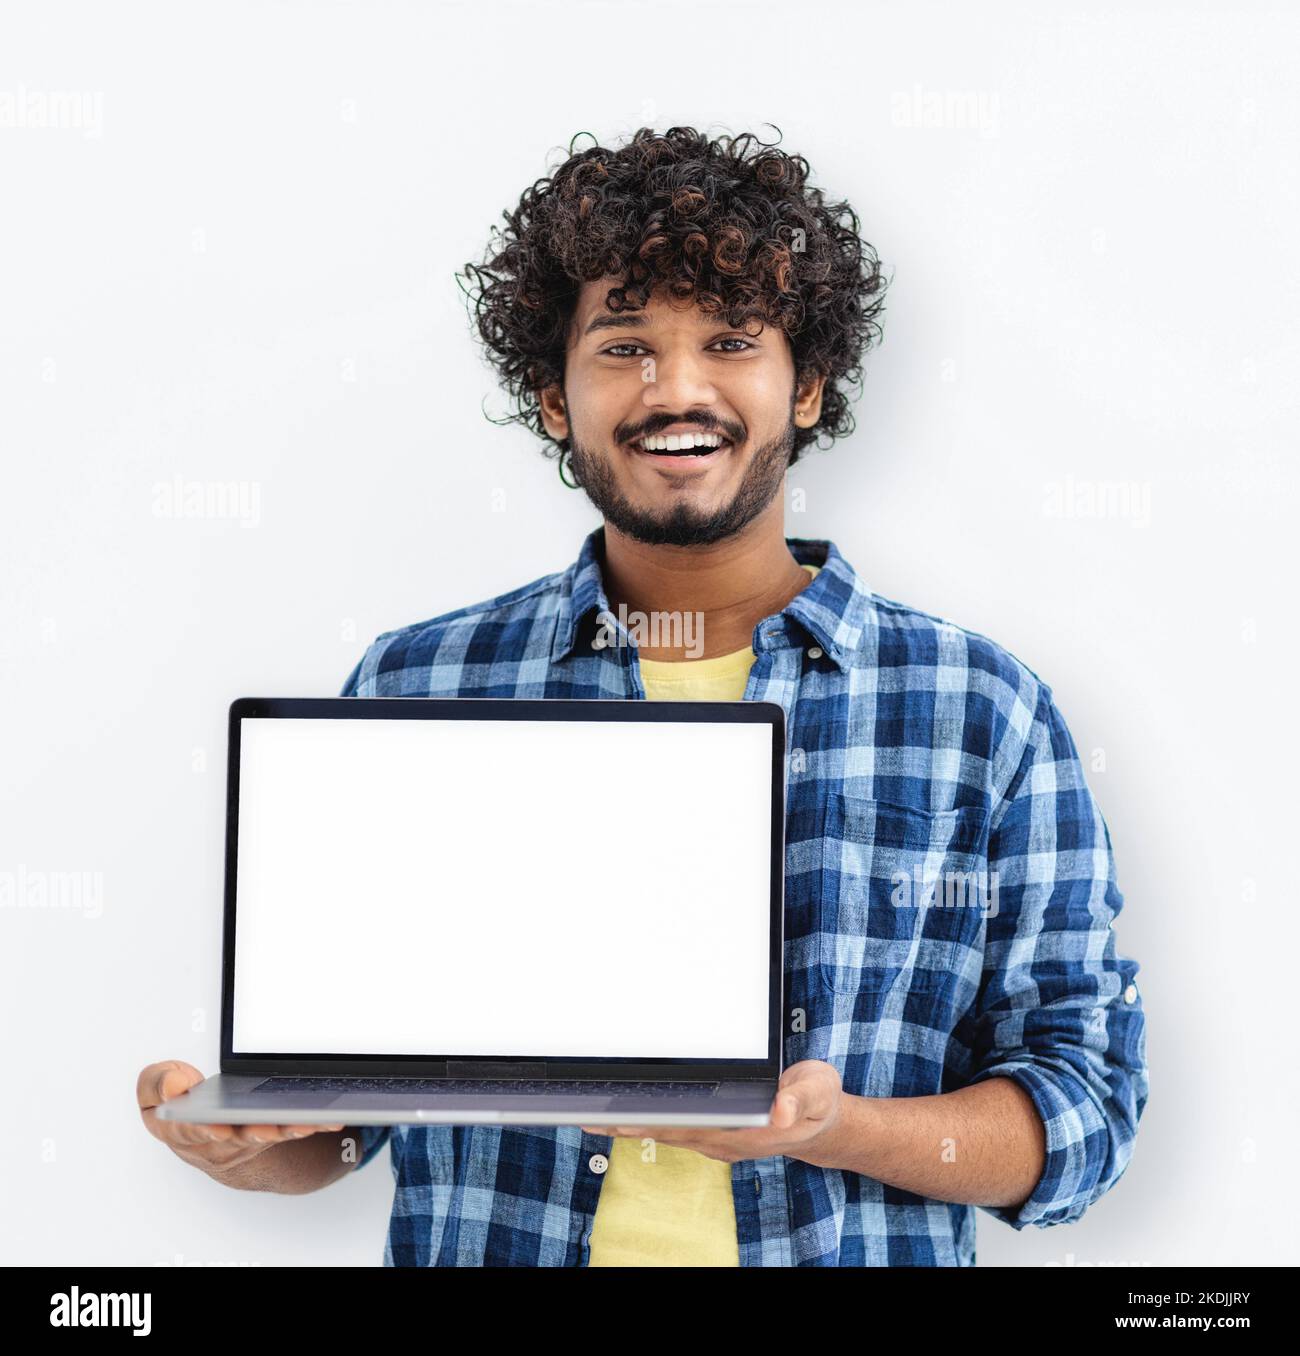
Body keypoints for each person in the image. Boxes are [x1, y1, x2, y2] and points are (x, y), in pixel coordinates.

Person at [140, 125, 1148, 1266]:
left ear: (806, 385)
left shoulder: (984, 712)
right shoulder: (419, 684)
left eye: (729, 340)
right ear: (554, 399)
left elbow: (1084, 1109)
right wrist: (247, 1146)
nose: (677, 390)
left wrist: (832, 1131)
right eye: (623, 346)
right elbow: (347, 1123)